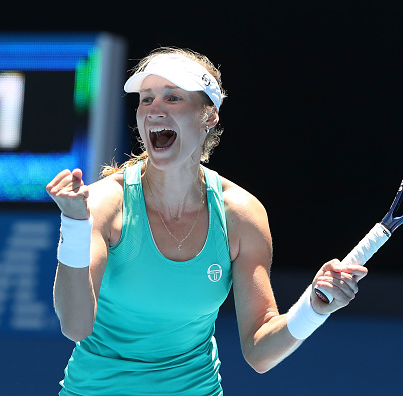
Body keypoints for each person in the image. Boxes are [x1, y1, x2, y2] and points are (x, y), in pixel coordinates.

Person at [46, 47, 368, 395]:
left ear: (209, 115)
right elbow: (76, 326)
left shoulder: (240, 214)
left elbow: (260, 350)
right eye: (146, 99)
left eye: (172, 98)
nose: (154, 110)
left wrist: (315, 307)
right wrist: (75, 226)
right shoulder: (104, 203)